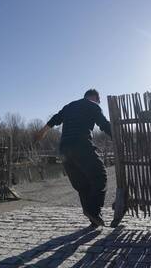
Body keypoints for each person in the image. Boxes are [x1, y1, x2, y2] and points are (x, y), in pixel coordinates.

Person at [35, 89, 112, 227]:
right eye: (98, 100)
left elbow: (55, 119)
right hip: (81, 145)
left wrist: (42, 132)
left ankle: (93, 218)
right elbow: (104, 125)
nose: (98, 103)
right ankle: (94, 212)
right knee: (100, 176)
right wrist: (119, 138)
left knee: (82, 184)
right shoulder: (92, 106)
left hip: (64, 149)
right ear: (94, 97)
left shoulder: (69, 106)